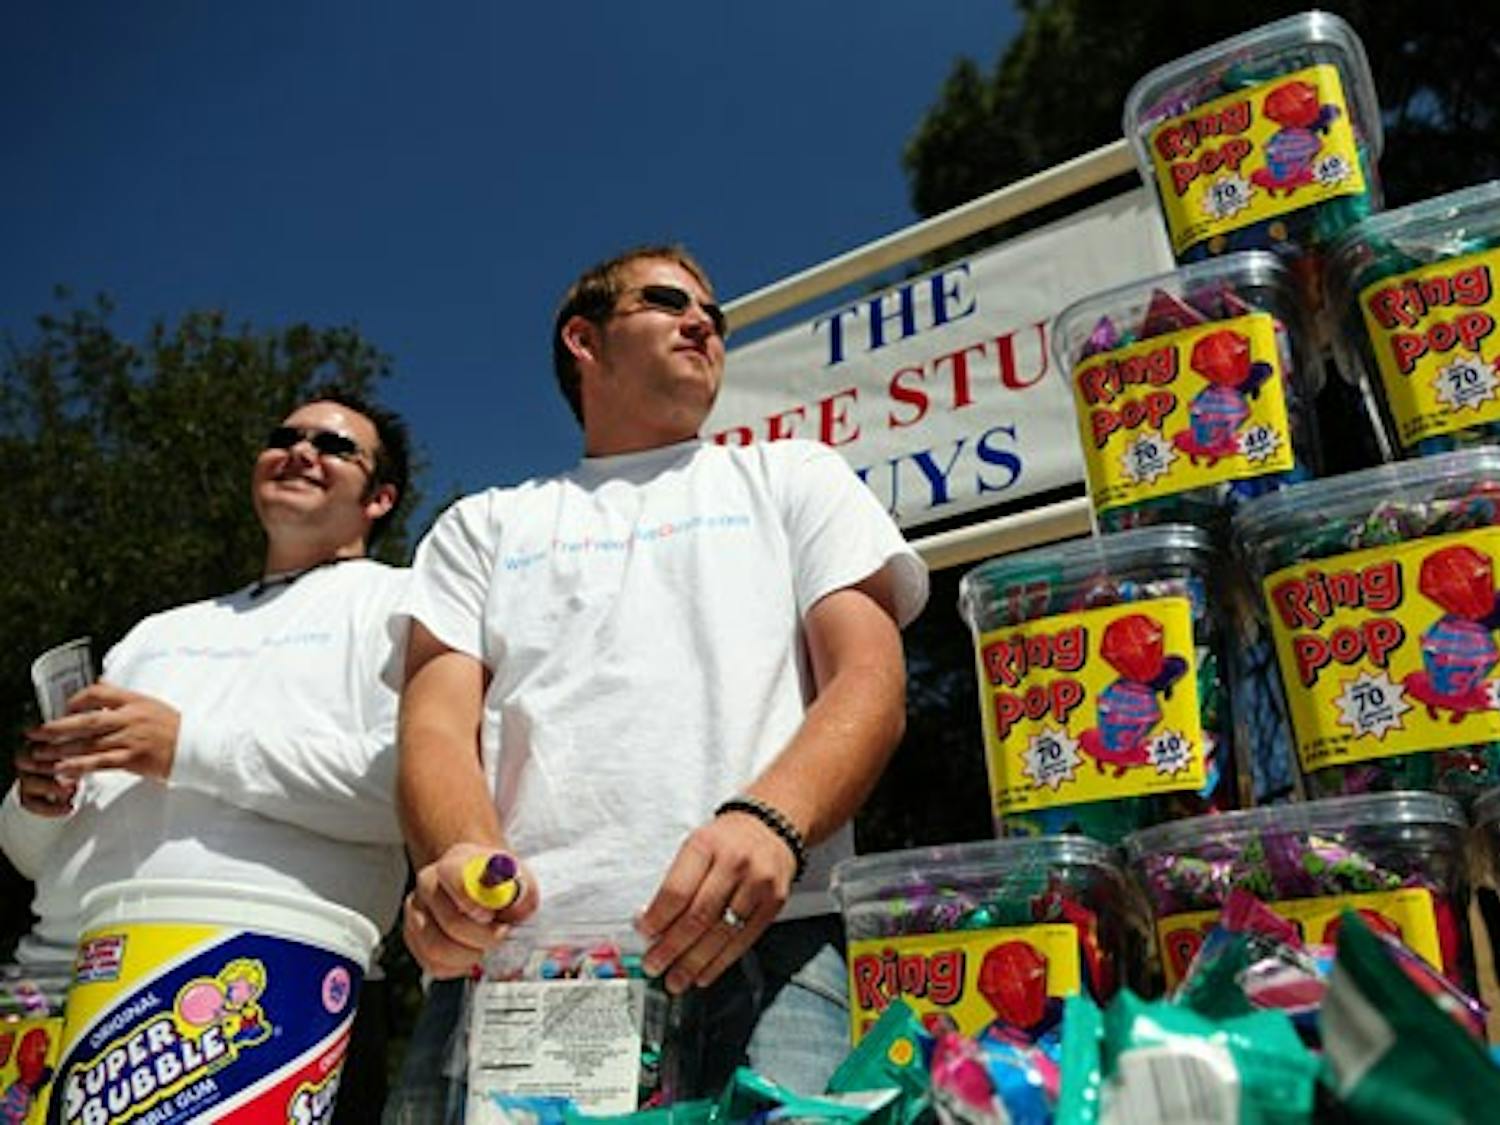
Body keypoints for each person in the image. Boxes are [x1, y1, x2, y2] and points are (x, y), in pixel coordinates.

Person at [390, 245, 928, 1116]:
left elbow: (869, 679)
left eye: (714, 317)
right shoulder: (480, 525)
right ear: (583, 337)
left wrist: (771, 820)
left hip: (776, 946)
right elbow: (433, 728)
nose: (703, 324)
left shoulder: (795, 475)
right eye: (671, 302)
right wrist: (460, 862)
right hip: (521, 970)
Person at [0, 390, 412, 1124]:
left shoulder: (399, 602)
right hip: (56, 983)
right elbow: (33, 853)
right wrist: (35, 799)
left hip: (266, 994)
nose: (301, 450)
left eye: (334, 444)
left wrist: (185, 747)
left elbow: (406, 791)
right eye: (285, 434)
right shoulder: (157, 632)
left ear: (380, 497)